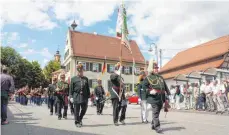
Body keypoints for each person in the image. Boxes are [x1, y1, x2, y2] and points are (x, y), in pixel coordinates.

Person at [143, 60, 170, 133]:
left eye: (157, 68)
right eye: (155, 68)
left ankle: (153, 124)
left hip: (161, 97)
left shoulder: (160, 77)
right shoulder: (148, 78)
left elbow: (165, 87)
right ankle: (157, 127)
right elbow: (144, 87)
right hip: (153, 97)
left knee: (157, 111)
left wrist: (168, 95)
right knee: (155, 112)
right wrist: (149, 91)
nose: (156, 69)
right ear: (152, 69)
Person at [69, 62, 90, 127]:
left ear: (83, 71)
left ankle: (80, 118)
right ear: (77, 71)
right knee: (76, 110)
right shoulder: (73, 79)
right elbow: (71, 89)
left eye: (81, 71)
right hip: (76, 96)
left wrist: (88, 97)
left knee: (84, 109)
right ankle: (77, 122)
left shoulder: (86, 78)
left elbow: (87, 88)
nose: (80, 73)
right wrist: (71, 97)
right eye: (79, 72)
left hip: (84, 97)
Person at [109, 62, 127, 126]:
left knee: (124, 106)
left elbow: (122, 85)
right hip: (115, 93)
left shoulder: (121, 77)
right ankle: (115, 120)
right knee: (116, 107)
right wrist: (117, 73)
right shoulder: (113, 75)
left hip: (121, 93)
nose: (121, 70)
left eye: (121, 69)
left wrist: (125, 92)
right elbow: (112, 78)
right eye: (120, 69)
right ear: (117, 69)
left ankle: (122, 119)